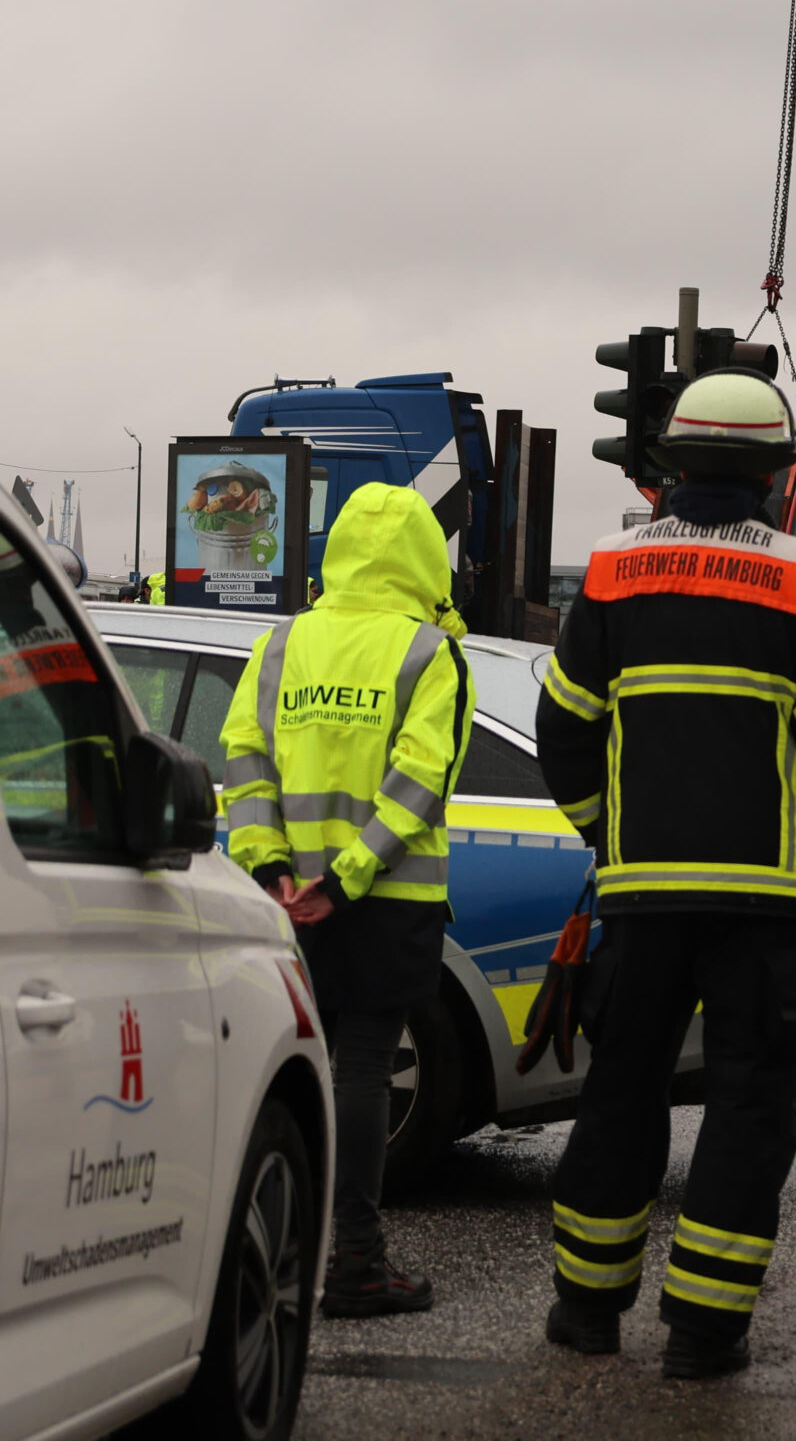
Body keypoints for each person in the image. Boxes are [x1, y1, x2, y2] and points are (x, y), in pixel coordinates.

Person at [535, 369, 796, 1379]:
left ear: (669, 468)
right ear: (779, 475)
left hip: (642, 897)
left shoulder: (610, 572)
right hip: (763, 905)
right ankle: (702, 1333)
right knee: (747, 1104)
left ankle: (587, 1309)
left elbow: (563, 727)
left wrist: (613, 838)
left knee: (621, 1090)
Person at [219, 482, 473, 1317]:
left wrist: (272, 871)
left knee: (287, 1069)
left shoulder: (284, 643)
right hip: (382, 898)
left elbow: (244, 756)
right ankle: (355, 1263)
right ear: (423, 559)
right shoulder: (427, 653)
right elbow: (421, 779)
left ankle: (280, 1254)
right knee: (363, 1064)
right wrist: (351, 876)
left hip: (287, 900)